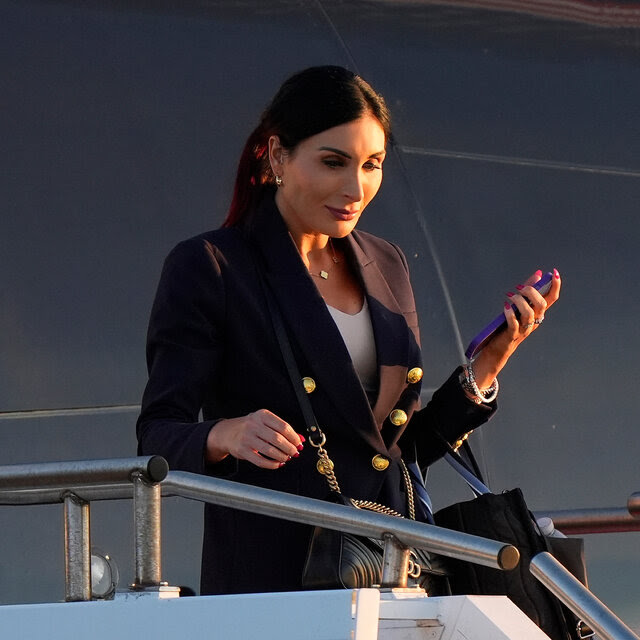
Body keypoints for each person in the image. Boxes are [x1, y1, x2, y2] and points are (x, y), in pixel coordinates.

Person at [136, 65, 561, 596]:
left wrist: (489, 363)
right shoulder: (213, 266)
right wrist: (224, 434)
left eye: (372, 164)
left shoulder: (386, 262)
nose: (355, 188)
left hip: (390, 571)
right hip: (278, 580)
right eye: (333, 162)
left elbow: (389, 452)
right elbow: (156, 435)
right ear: (277, 156)